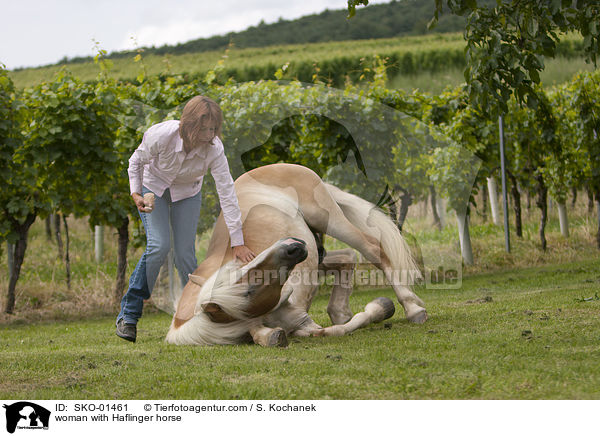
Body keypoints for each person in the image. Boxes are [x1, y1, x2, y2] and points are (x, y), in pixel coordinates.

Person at [116, 95, 255, 342]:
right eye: (205, 129)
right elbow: (135, 161)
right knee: (159, 246)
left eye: (214, 128)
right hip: (153, 189)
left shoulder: (214, 148)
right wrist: (136, 192)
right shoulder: (162, 135)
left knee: (185, 255)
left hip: (187, 194)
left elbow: (227, 192)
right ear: (190, 125)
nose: (210, 134)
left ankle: (197, 315)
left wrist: (237, 241)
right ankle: (128, 316)